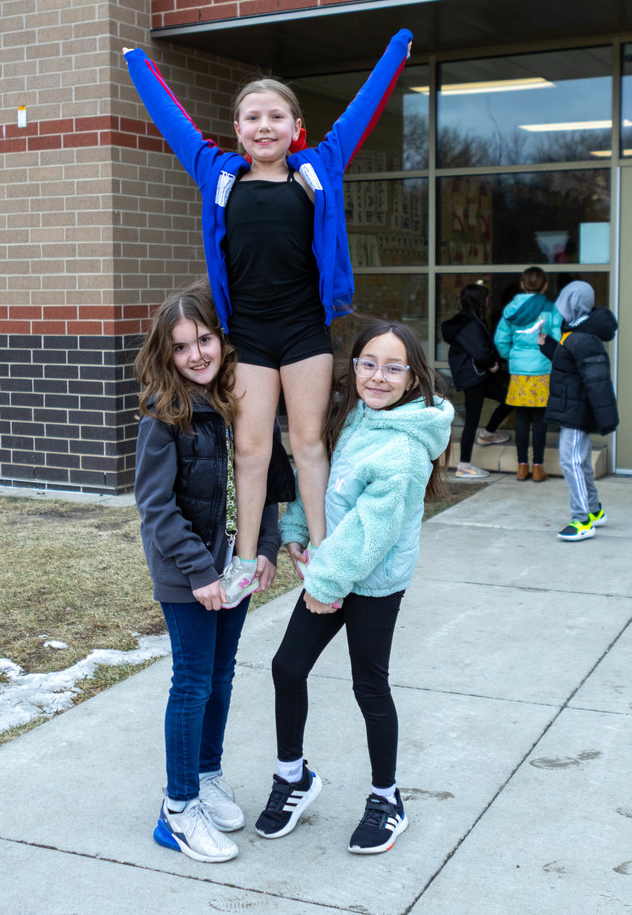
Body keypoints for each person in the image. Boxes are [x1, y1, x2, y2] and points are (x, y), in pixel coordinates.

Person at [122, 29, 413, 601]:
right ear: (237, 129)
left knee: (307, 444)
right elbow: (170, 117)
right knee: (252, 450)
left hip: (306, 332)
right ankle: (245, 558)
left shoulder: (320, 168)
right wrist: (137, 64)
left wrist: (395, 54)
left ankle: (325, 554)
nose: (263, 126)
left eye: (276, 116)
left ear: (294, 126)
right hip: (248, 337)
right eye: (252, 117)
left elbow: (362, 109)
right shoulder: (218, 175)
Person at [254, 320, 453, 855]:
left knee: (369, 686)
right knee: (287, 668)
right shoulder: (351, 417)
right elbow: (315, 478)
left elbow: (371, 531)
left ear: (413, 379)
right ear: (354, 368)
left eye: (393, 368)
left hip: (374, 583)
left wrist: (322, 581)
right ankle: (293, 777)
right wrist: (296, 528)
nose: (378, 377)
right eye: (368, 363)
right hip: (333, 570)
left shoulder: (406, 449)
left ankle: (387, 799)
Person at [133, 283, 293, 864]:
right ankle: (176, 811)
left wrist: (267, 547)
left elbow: (268, 484)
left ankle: (204, 776)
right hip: (189, 576)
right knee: (193, 682)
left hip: (238, 569)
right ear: (166, 354)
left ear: (223, 339)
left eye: (204, 339)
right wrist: (201, 572)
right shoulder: (163, 413)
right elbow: (155, 507)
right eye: (181, 347)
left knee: (221, 678)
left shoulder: (248, 399)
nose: (196, 355)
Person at [538, 281, 618, 542]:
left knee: (570, 461)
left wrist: (606, 419)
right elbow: (567, 362)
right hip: (571, 409)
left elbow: (598, 382)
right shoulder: (575, 331)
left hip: (576, 412)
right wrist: (547, 344)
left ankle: (582, 519)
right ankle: (594, 510)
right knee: (579, 461)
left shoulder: (582, 338)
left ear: (572, 304)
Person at [494, 266, 562, 481]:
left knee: (521, 417)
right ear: (545, 286)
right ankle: (538, 468)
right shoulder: (551, 309)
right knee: (540, 418)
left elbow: (500, 340)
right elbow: (559, 338)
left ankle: (521, 466)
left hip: (519, 371)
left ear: (522, 284)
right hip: (543, 369)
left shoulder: (509, 309)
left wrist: (511, 356)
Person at [441, 281, 512, 479]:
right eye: (487, 298)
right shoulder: (470, 323)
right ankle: (464, 465)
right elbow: (480, 352)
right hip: (475, 377)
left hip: (477, 376)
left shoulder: (467, 320)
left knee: (510, 398)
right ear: (480, 301)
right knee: (472, 420)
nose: (490, 301)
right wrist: (492, 364)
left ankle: (488, 433)